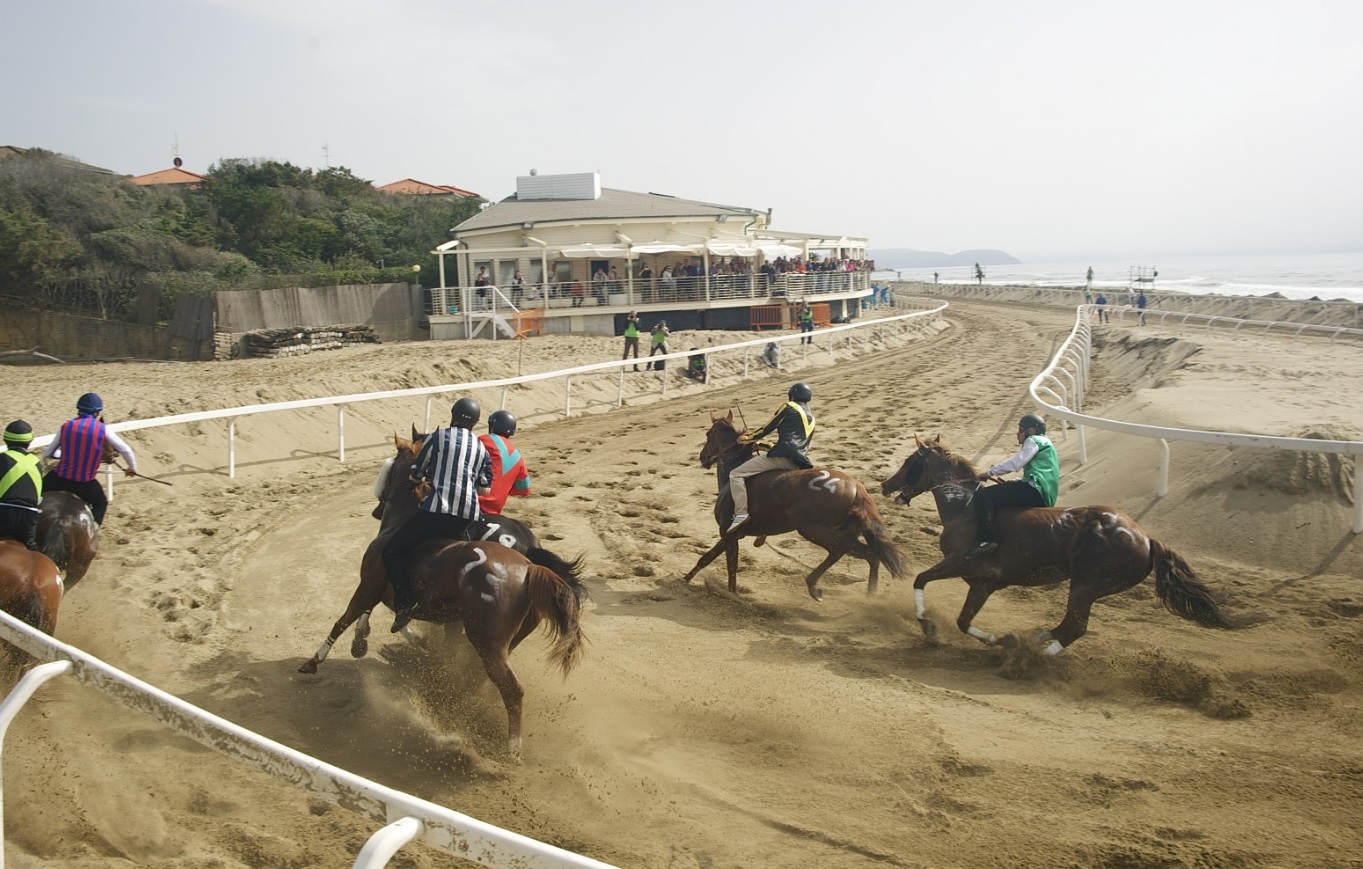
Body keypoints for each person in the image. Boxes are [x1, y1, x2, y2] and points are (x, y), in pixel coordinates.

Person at [381, 397, 492, 632]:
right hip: (467, 517)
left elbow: (417, 472)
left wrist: (418, 478)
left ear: (452, 416)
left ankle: (404, 603)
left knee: (392, 550)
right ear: (475, 422)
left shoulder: (438, 438)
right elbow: (485, 488)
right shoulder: (482, 448)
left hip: (436, 513)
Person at [725, 382, 816, 534]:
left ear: (791, 395)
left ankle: (741, 514)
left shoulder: (788, 407)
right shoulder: (811, 417)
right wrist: (761, 445)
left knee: (736, 474)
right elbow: (792, 443)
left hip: (781, 458)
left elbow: (767, 427)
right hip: (798, 463)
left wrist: (747, 439)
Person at [967, 413, 1059, 557]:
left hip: (1035, 490)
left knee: (982, 496)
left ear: (1032, 430)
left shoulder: (1033, 440)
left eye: (1021, 429)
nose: (1017, 433)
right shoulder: (1047, 442)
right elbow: (1039, 472)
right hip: (1043, 493)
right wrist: (1017, 482)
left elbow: (1016, 463)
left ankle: (986, 540)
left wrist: (990, 472)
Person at [41, 393, 137, 526]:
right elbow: (125, 449)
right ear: (97, 412)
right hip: (84, 484)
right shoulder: (103, 430)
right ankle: (94, 530)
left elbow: (48, 452)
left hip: (59, 479)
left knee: (36, 494)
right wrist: (131, 467)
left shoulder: (66, 426)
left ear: (78, 409)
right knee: (100, 503)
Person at [477, 410, 530, 517]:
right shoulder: (517, 456)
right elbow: (524, 488)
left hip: (473, 504)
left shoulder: (484, 440)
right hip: (494, 513)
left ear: (492, 426)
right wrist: (503, 488)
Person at [0, 420, 43, 549]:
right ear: (29, 442)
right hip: (28, 518)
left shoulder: (3, 458)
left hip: (4, 513)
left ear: (6, 440)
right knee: (32, 551)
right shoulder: (36, 463)